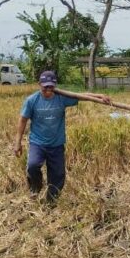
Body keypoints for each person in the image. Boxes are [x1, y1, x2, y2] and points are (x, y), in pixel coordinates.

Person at [13, 70, 111, 205]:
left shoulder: (62, 97)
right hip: (38, 143)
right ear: (39, 84)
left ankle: (51, 200)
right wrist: (17, 142)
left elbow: (83, 96)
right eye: (45, 86)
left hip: (56, 144)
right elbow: (23, 120)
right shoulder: (31, 101)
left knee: (58, 175)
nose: (48, 89)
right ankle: (35, 189)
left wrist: (100, 96)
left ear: (55, 85)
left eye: (51, 86)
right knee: (33, 166)